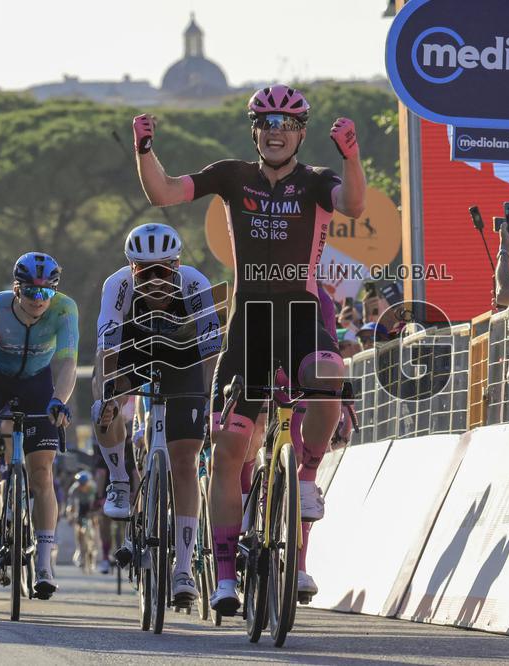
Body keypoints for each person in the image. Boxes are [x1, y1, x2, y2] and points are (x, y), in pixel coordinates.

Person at [132, 83, 365, 615]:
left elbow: (353, 203)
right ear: (254, 130)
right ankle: (225, 577)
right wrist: (144, 150)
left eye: (286, 124)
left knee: (329, 371)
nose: (276, 132)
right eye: (266, 123)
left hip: (303, 313)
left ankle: (305, 478)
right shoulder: (232, 176)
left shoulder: (314, 182)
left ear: (302, 133)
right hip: (250, 322)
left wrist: (351, 157)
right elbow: (164, 192)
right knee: (229, 445)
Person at [93, 222, 222, 606]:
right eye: (143, 272)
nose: (154, 280)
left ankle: (183, 569)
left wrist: (211, 403)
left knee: (185, 461)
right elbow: (106, 353)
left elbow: (212, 352)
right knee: (101, 402)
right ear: (131, 270)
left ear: (177, 266)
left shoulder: (195, 284)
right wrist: (111, 398)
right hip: (133, 352)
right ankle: (119, 478)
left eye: (162, 270)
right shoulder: (116, 287)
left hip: (184, 360)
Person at [0, 253, 78, 599]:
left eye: (45, 294)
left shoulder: (65, 310)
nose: (38, 301)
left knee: (42, 473)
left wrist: (59, 399)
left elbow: (68, 364)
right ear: (15, 288)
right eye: (30, 293)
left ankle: (43, 561)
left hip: (39, 382)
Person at [65, 470, 98, 572]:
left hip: (91, 508)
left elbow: (95, 502)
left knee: (94, 528)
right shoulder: (74, 489)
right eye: (80, 484)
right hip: (80, 509)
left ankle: (93, 550)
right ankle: (79, 549)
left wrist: (94, 515)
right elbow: (70, 504)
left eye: (84, 484)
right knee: (78, 531)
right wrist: (70, 516)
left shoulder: (93, 487)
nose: (82, 486)